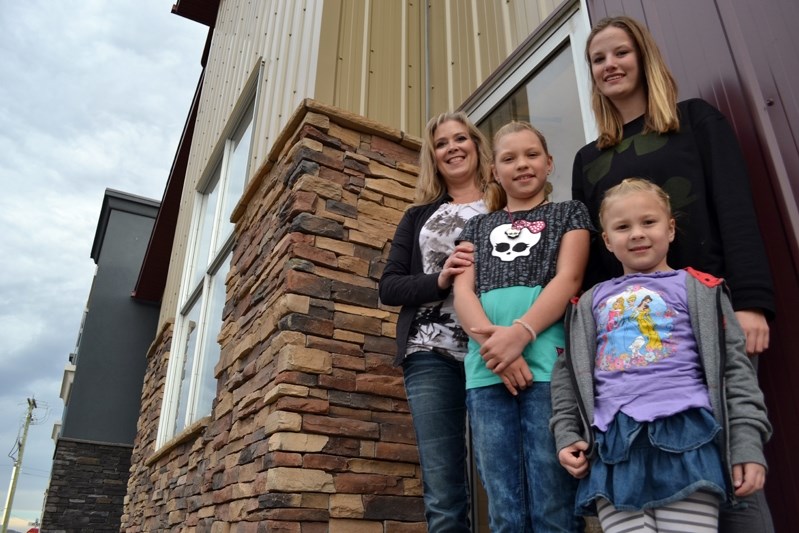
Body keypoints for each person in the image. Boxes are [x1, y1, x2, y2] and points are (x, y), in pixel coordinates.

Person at [571, 15, 776, 531]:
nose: (610, 65)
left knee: (734, 461)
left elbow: (735, 208)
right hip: (634, 347)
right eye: (598, 58)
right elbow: (596, 264)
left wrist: (752, 301)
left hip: (707, 322)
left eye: (620, 52)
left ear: (643, 57)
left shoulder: (696, 121)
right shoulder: (589, 159)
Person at [551, 178, 772, 533]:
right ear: (607, 240)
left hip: (688, 438)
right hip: (613, 447)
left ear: (670, 229)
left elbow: (737, 372)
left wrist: (746, 444)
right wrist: (565, 433)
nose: (637, 233)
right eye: (623, 227)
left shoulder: (700, 289)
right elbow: (567, 377)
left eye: (648, 222)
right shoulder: (589, 303)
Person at [453, 121, 591, 532]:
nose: (522, 165)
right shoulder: (475, 226)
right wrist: (497, 352)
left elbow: (568, 279)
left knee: (554, 500)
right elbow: (463, 294)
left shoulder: (569, 213)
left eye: (532, 155)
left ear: (549, 163)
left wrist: (521, 334)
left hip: (548, 369)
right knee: (504, 504)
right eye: (509, 158)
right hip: (486, 372)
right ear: (494, 171)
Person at [378, 111, 492, 532]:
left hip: (493, 349)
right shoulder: (418, 216)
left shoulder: (504, 203)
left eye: (461, 138)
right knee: (443, 492)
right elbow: (389, 287)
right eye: (442, 143)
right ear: (434, 157)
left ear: (477, 146)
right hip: (428, 351)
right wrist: (440, 279)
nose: (453, 148)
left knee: (503, 476)